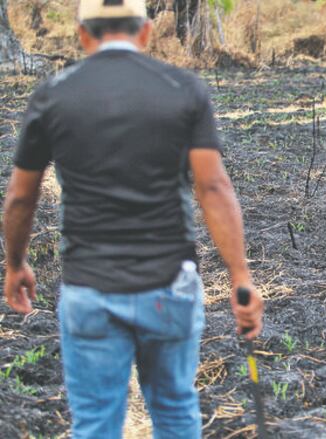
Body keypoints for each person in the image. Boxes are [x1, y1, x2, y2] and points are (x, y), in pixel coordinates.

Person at [2, 0, 264, 437]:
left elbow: (20, 197)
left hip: (89, 289)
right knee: (176, 409)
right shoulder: (183, 88)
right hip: (170, 287)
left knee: (95, 423)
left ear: (83, 35)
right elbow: (213, 188)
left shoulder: (53, 95)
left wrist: (15, 265)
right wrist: (241, 277)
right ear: (145, 31)